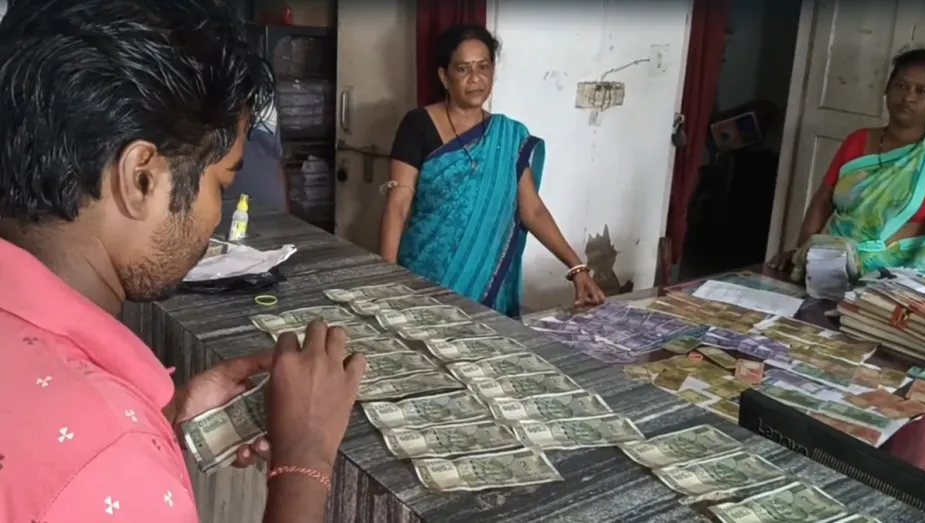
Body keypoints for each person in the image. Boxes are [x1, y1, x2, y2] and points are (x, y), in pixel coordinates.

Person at [0, 2, 364, 523]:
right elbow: (87, 471)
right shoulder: (106, 461)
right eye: (222, 182)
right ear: (141, 178)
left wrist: (163, 414)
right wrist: (304, 459)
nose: (215, 216)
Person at [380, 24, 606, 317]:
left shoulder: (509, 135)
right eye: (463, 69)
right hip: (425, 277)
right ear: (444, 76)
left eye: (483, 67)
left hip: (487, 290)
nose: (475, 78)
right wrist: (386, 280)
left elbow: (532, 210)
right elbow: (397, 205)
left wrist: (577, 268)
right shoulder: (417, 125)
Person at [768, 49, 925, 277]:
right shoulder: (858, 141)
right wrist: (803, 252)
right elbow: (823, 201)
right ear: (886, 89)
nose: (908, 97)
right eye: (901, 85)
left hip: (896, 280)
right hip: (829, 267)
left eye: (922, 91)